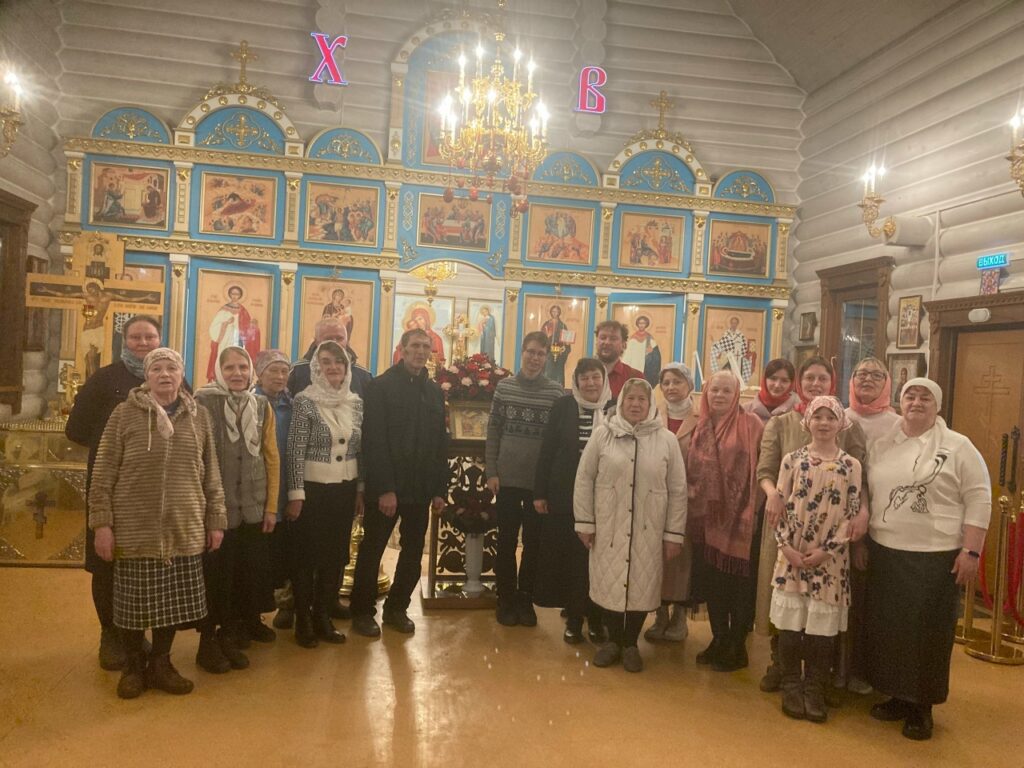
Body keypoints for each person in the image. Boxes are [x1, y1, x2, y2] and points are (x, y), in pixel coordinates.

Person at [88, 348, 226, 699]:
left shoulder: (199, 416)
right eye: (157, 369)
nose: (165, 375)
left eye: (172, 368)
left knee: (172, 604)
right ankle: (134, 665)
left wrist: (216, 520)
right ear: (146, 376)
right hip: (135, 527)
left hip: (184, 524)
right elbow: (103, 472)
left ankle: (161, 664)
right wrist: (102, 525)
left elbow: (211, 473)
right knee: (132, 606)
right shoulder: (123, 414)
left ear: (182, 375)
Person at [863, 378, 990, 741]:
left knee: (928, 633)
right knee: (891, 629)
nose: (917, 402)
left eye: (925, 398)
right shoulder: (883, 443)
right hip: (886, 550)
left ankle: (922, 706)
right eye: (910, 396)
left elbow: (979, 498)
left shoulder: (958, 446)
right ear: (900, 402)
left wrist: (972, 550)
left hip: (935, 556)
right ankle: (896, 694)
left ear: (938, 405)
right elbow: (869, 489)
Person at [755, 356, 868, 693]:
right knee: (785, 601)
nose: (815, 384)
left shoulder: (848, 425)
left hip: (832, 533)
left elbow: (861, 479)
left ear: (832, 382)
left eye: (822, 378)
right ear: (799, 382)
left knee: (822, 608)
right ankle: (782, 666)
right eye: (809, 378)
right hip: (786, 524)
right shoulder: (781, 423)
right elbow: (766, 470)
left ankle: (820, 677)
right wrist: (773, 495)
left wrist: (862, 513)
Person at [66, 314, 163, 672]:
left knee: (143, 562)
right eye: (136, 337)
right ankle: (110, 634)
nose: (143, 343)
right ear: (125, 340)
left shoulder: (169, 375)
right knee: (107, 562)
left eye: (149, 337)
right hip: (110, 484)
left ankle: (134, 631)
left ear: (159, 340)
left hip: (153, 489)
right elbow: (76, 429)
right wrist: (111, 446)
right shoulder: (105, 379)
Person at [574, 378, 687, 673]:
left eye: (642, 399)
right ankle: (613, 641)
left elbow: (677, 489)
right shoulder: (603, 434)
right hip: (608, 527)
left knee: (641, 585)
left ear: (650, 404)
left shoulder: (667, 440)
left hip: (649, 530)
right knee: (608, 583)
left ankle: (630, 644)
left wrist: (673, 534)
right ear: (621, 402)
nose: (636, 404)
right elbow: (584, 478)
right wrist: (585, 522)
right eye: (630, 398)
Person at [350, 328, 448, 638]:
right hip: (388, 488)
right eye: (415, 346)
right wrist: (386, 488)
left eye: (426, 347)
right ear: (402, 349)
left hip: (420, 489)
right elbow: (374, 440)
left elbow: (440, 443)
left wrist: (440, 489)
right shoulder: (380, 386)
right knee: (373, 549)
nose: (420, 352)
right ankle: (362, 611)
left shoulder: (434, 392)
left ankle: (396, 608)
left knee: (413, 551)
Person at [772, 396, 864, 723]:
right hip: (792, 557)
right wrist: (786, 547)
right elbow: (779, 507)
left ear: (841, 423)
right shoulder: (792, 460)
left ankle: (814, 687)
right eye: (818, 417)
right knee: (790, 627)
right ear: (807, 421)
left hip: (829, 562)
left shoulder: (851, 465)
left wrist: (827, 550)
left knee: (821, 632)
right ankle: (791, 685)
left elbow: (852, 514)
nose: (824, 423)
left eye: (830, 417)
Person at [193, 346, 280, 673]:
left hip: (253, 507)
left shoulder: (261, 405)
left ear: (251, 371)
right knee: (217, 578)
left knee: (246, 572)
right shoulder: (203, 403)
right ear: (218, 370)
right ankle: (210, 640)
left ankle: (236, 630)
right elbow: (198, 457)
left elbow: (271, 456)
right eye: (229, 367)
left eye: (243, 367)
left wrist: (270, 506)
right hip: (218, 511)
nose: (237, 373)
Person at [285, 341, 363, 648]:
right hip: (312, 491)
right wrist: (296, 494)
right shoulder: (305, 401)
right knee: (307, 558)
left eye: (338, 362)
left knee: (335, 556)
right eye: (326, 362)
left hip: (344, 489)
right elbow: (294, 450)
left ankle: (322, 617)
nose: (333, 367)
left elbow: (359, 449)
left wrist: (360, 489)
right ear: (317, 367)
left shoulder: (355, 402)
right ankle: (303, 620)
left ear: (346, 367)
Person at [686, 370, 765, 671]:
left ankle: (736, 645)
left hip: (741, 521)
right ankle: (718, 638)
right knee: (713, 583)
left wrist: (752, 511)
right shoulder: (701, 426)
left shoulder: (752, 424)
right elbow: (694, 472)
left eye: (726, 391)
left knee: (739, 586)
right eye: (714, 390)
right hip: (708, 521)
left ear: (736, 395)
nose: (719, 395)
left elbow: (762, 470)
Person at [486, 331, 566, 627]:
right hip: (507, 480)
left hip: (538, 485)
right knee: (506, 541)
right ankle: (505, 598)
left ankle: (525, 598)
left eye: (540, 354)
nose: (535, 358)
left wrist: (551, 484)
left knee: (534, 544)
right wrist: (491, 471)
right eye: (530, 352)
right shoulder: (504, 387)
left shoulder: (556, 393)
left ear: (546, 358)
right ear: (522, 353)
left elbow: (557, 442)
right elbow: (493, 431)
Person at [533, 358, 611, 643]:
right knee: (572, 559)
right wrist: (540, 493)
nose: (590, 383)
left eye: (595, 377)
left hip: (605, 499)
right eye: (584, 378)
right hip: (565, 495)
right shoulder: (563, 407)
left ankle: (597, 620)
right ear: (576, 381)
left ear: (604, 380)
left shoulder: (614, 409)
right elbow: (547, 451)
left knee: (598, 560)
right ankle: (575, 620)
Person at [645, 362, 699, 644]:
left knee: (681, 559)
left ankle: (680, 616)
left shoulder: (702, 417)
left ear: (689, 385)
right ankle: (660, 614)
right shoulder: (653, 415)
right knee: (657, 557)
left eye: (677, 381)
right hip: (656, 498)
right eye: (666, 382)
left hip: (690, 499)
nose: (671, 387)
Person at [253, 350, 296, 631]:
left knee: (284, 554)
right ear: (259, 374)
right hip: (258, 490)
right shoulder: (250, 403)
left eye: (284, 371)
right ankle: (252, 613)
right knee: (257, 557)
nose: (280, 377)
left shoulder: (292, 406)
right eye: (273, 371)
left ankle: (285, 605)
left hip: (286, 490)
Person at [289, 317, 372, 399]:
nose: (334, 343)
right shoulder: (297, 371)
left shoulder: (363, 375)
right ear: (316, 341)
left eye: (339, 338)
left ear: (347, 341)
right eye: (328, 338)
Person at [207, 284, 260, 383]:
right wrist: (226, 323)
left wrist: (253, 326)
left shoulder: (243, 310)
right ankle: (220, 379)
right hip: (225, 339)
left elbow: (247, 329)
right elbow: (214, 326)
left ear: (240, 296)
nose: (235, 296)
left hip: (238, 340)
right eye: (233, 294)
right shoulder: (224, 309)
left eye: (237, 294)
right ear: (229, 294)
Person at [845, 356, 900, 447]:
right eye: (862, 374)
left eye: (877, 375)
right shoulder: (841, 418)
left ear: (886, 383)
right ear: (852, 380)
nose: (868, 379)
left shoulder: (897, 424)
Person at [593, 320, 644, 399]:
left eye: (613, 339)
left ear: (624, 345)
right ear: (596, 342)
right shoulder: (583, 374)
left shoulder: (635, 377)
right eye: (603, 338)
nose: (607, 342)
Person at [745, 358, 799, 423]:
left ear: (791, 383)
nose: (777, 385)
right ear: (764, 379)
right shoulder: (745, 410)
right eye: (773, 378)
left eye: (784, 381)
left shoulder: (799, 411)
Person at [622, 316, 662, 386]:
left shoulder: (649, 338)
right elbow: (627, 354)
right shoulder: (633, 338)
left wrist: (652, 352)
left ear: (646, 324)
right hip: (634, 363)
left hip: (645, 366)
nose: (641, 325)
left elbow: (656, 354)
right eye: (640, 323)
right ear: (637, 324)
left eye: (643, 323)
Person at [541, 305, 571, 386]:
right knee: (548, 370)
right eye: (553, 311)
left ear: (559, 313)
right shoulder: (546, 324)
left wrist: (565, 345)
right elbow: (542, 338)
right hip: (548, 352)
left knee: (558, 372)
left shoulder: (563, 325)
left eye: (556, 311)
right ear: (550, 312)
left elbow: (566, 341)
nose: (555, 313)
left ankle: (558, 387)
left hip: (559, 353)